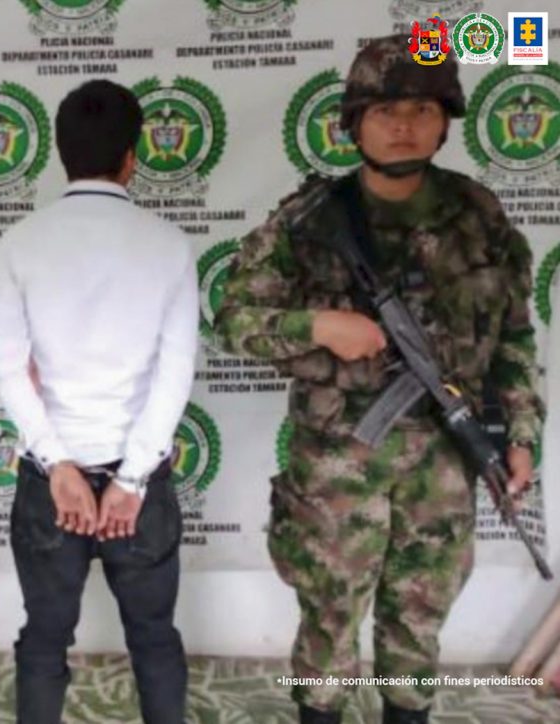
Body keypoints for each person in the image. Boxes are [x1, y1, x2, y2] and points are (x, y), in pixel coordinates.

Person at [216, 35, 544, 724]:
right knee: (329, 631)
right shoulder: (309, 220)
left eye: (422, 108)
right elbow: (234, 319)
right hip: (339, 474)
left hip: (448, 467)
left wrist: (520, 435)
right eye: (386, 108)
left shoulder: (478, 215)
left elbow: (514, 334)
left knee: (417, 632)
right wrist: (319, 327)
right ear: (354, 120)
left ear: (446, 118)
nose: (404, 126)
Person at [0, 79, 198, 723]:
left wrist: (58, 468)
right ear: (133, 157)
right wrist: (131, 479)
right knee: (154, 638)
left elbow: (9, 371)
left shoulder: (20, 241)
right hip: (138, 487)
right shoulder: (169, 244)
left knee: (44, 640)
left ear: (60, 156)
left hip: (52, 488)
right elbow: (175, 372)